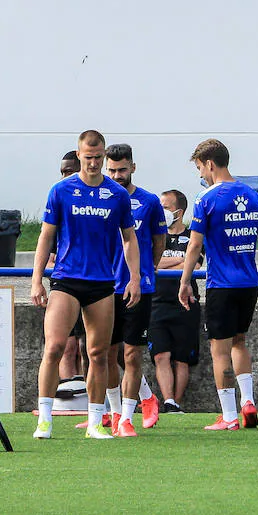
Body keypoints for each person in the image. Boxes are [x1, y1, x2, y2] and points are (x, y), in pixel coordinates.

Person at [31, 130, 140, 440]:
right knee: (53, 347)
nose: (93, 163)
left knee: (99, 353)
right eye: (88, 157)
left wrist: (133, 277)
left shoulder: (117, 195)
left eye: (98, 158)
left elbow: (129, 238)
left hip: (102, 282)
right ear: (79, 155)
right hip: (66, 279)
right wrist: (37, 279)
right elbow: (46, 236)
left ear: (104, 157)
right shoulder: (62, 191)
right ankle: (45, 419)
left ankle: (95, 422)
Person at [178, 139, 258, 431]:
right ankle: (248, 401)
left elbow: (194, 246)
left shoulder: (206, 199)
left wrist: (184, 281)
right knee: (239, 342)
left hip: (222, 285)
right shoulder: (252, 195)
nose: (201, 175)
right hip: (249, 284)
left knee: (220, 350)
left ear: (210, 164)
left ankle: (229, 416)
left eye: (200, 168)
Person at [103, 144, 166, 436]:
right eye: (112, 170)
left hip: (137, 287)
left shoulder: (149, 201)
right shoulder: (99, 200)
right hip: (103, 287)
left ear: (133, 167)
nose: (117, 176)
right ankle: (117, 412)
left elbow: (158, 241)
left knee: (132, 355)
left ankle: (126, 418)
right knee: (105, 354)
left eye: (122, 170)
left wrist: (143, 273)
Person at [149, 189, 200, 414]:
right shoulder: (155, 236)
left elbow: (195, 264)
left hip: (186, 304)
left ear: (179, 211)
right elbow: (152, 264)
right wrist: (181, 259)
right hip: (156, 303)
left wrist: (168, 262)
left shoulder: (194, 235)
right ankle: (167, 399)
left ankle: (174, 404)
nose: (162, 212)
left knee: (182, 358)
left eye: (166, 208)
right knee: (161, 354)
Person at [56, 150, 89, 384]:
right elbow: (47, 250)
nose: (64, 176)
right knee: (65, 346)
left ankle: (90, 399)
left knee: (87, 347)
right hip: (65, 283)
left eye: (69, 171)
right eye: (62, 172)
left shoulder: (99, 201)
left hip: (92, 283)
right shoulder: (58, 199)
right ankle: (69, 395)